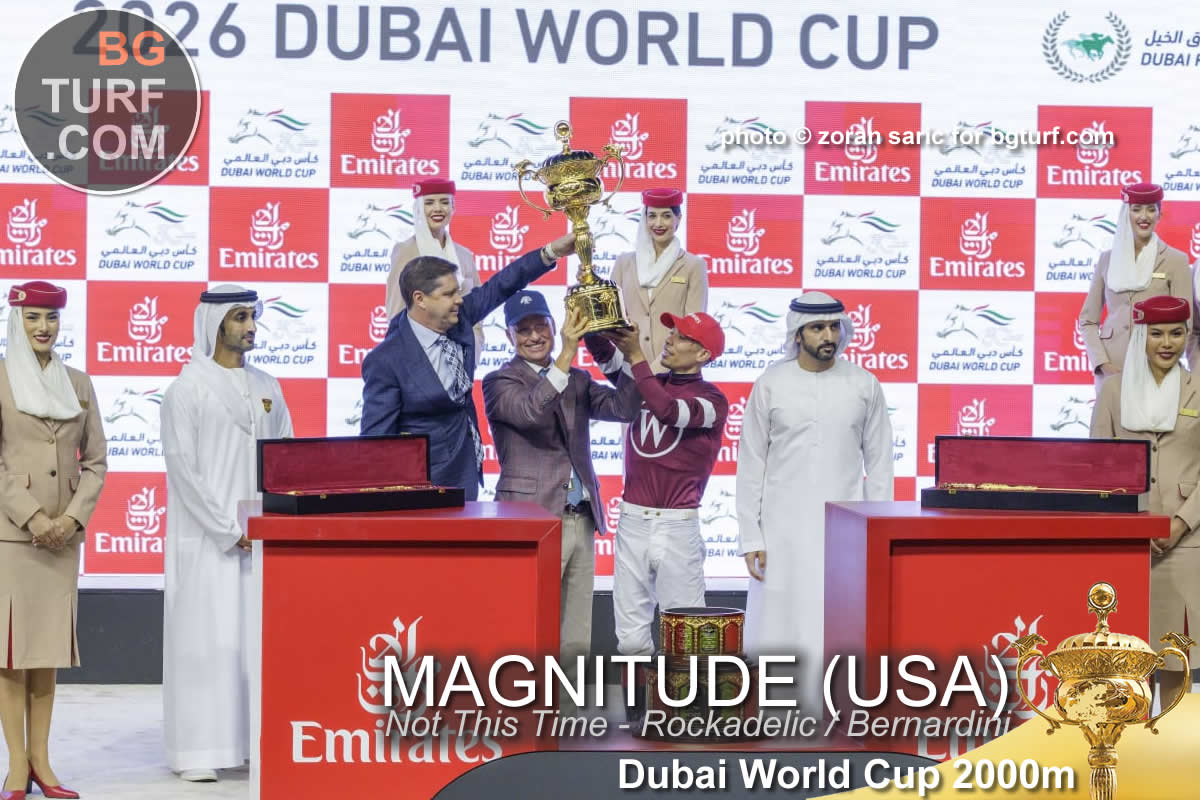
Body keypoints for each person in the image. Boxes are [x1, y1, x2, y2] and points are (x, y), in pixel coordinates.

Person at [736, 291, 894, 715]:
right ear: (797, 333)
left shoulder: (863, 384)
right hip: (780, 531)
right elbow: (750, 465)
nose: (829, 336)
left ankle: (837, 707)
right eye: (817, 328)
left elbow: (880, 466)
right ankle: (776, 712)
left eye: (834, 326)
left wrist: (877, 533)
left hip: (841, 532)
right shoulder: (771, 383)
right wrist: (751, 536)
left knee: (836, 618)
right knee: (779, 619)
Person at [160, 285, 293, 783]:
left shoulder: (267, 385)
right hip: (206, 543)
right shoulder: (187, 389)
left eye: (253, 316)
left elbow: (286, 458)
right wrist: (226, 529)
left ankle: (250, 744)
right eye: (240, 317)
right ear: (214, 324)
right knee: (205, 642)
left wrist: (273, 522)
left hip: (260, 540)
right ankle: (196, 750)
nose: (251, 327)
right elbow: (184, 471)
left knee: (252, 646)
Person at [481, 292, 639, 705]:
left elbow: (625, 409)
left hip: (580, 516)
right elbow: (531, 412)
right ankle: (522, 706)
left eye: (541, 326)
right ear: (509, 336)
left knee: (576, 628)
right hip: (531, 521)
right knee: (527, 620)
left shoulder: (579, 379)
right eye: (524, 330)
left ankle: (566, 712)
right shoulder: (499, 381)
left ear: (554, 327)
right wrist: (567, 353)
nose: (535, 336)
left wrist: (628, 357)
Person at [362, 235, 576, 500]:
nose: (459, 300)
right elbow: (376, 442)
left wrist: (551, 251)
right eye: (448, 294)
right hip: (419, 489)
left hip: (466, 478)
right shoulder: (386, 360)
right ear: (420, 299)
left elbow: (502, 284)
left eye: (458, 291)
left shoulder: (459, 319)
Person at [0, 281, 106, 800]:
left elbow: (97, 462)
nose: (44, 327)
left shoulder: (79, 383)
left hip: (62, 539)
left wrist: (69, 520)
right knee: (11, 655)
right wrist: (33, 517)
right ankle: (16, 766)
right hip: (12, 538)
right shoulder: (0, 380)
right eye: (33, 317)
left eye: (51, 317)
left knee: (45, 654)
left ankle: (42, 761)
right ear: (15, 321)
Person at [591, 313, 727, 677]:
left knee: (686, 634)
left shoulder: (713, 400)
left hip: (677, 526)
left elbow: (667, 411)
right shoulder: (647, 382)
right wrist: (596, 320)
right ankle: (639, 707)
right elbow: (605, 358)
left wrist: (636, 355)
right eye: (672, 332)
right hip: (633, 520)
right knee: (630, 639)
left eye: (681, 337)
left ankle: (687, 707)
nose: (669, 340)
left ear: (703, 354)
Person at [1090, 294, 1200, 704]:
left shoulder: (1197, 389)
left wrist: (1180, 523)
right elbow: (1096, 469)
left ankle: (1168, 741)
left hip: (1186, 545)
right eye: (1156, 334)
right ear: (1140, 336)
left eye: (1176, 333)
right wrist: (1131, 524)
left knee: (1176, 661)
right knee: (1125, 664)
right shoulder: (1114, 391)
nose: (1167, 343)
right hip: (1127, 547)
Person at [1078, 182, 1191, 394]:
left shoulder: (1176, 260)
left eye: (1151, 209)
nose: (1144, 216)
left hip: (1157, 369)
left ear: (1159, 214)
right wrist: (1102, 364)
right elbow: (1087, 321)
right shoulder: (1107, 259)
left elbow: (1186, 323)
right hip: (1112, 369)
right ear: (1125, 213)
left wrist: (1163, 365)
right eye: (1136, 209)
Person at [385, 179, 485, 362]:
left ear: (453, 208)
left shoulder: (464, 255)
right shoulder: (405, 251)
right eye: (429, 203)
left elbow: (477, 307)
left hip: (461, 356)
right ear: (418, 208)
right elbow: (396, 311)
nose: (438, 209)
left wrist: (474, 345)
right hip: (419, 357)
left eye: (444, 202)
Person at [610, 188, 709, 373]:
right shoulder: (624, 263)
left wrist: (653, 373)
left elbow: (692, 326)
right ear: (644, 219)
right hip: (628, 369)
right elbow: (613, 319)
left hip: (673, 369)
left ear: (678, 218)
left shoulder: (693, 265)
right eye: (652, 216)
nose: (658, 223)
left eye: (666, 216)